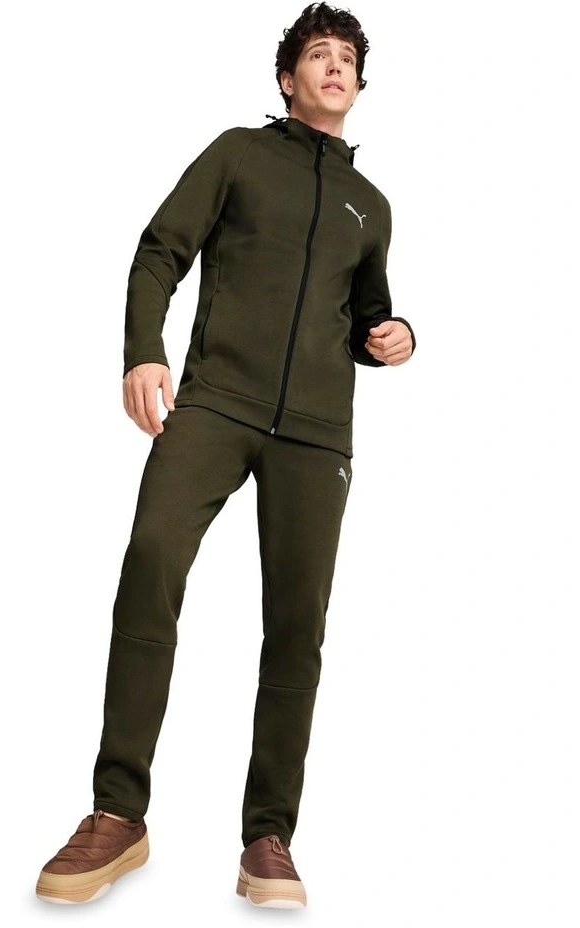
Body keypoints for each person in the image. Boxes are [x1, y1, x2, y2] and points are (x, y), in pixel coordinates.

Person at [35, 1, 416, 909]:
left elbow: (366, 315)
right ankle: (118, 814)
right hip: (215, 403)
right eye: (318, 55)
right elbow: (159, 250)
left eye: (347, 58)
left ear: (359, 85)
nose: (334, 67)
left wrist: (394, 335)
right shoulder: (238, 154)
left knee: (296, 624)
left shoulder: (371, 206)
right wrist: (143, 351)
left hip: (317, 433)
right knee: (152, 561)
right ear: (288, 78)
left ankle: (268, 839)